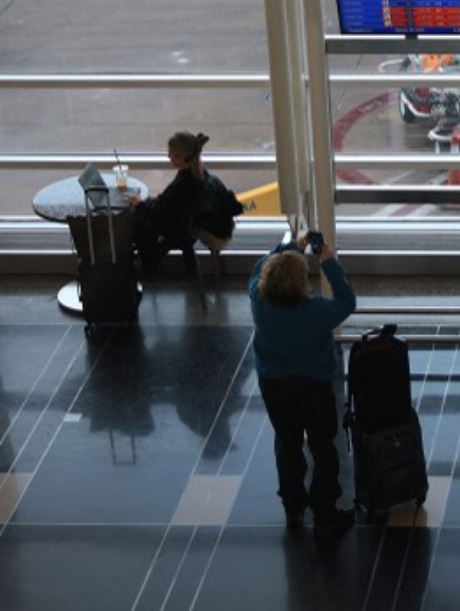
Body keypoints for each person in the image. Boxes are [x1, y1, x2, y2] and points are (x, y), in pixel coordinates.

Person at [250, 231, 357, 540]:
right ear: (301, 283)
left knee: (287, 442)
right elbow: (347, 301)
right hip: (313, 386)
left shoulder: (258, 298)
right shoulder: (316, 312)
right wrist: (328, 261)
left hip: (273, 385)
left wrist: (289, 246)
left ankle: (292, 505)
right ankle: (325, 512)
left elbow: (259, 266)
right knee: (323, 446)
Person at [129, 130, 239, 274]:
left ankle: (145, 265)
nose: (170, 158)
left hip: (180, 229)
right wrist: (158, 200)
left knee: (137, 222)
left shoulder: (184, 184)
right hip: (188, 223)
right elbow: (174, 203)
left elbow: (161, 217)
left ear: (186, 157)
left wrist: (140, 204)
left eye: (175, 155)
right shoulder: (198, 174)